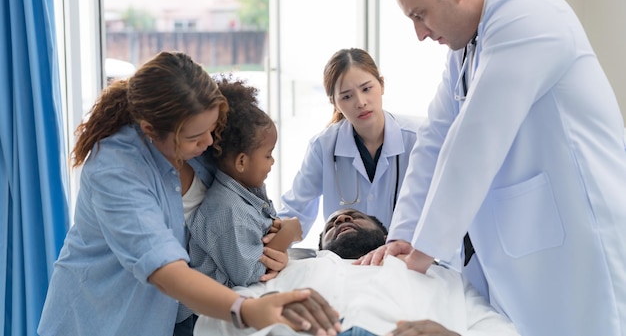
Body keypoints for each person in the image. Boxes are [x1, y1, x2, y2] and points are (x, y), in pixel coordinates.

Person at [355, 0, 626, 336]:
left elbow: (475, 140)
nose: (420, 33)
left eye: (420, 14)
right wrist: (405, 235)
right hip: (525, 241)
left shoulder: (530, 16)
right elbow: (434, 143)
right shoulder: (464, 52)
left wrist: (423, 252)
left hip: (581, 231)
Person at [38, 51, 339, 336]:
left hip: (164, 319)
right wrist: (248, 310)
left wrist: (280, 241)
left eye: (213, 128)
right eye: (196, 137)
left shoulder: (201, 138)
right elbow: (164, 268)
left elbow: (245, 208)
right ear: (150, 129)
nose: (209, 142)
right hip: (101, 318)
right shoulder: (116, 169)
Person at [194, 208, 521, 336]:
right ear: (321, 245)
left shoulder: (439, 275)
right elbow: (209, 325)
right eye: (332, 224)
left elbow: (503, 331)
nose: (341, 221)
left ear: (385, 233)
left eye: (352, 216)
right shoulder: (290, 272)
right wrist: (266, 315)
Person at [176, 75, 303, 334]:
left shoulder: (247, 191)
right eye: (268, 155)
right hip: (197, 321)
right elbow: (248, 273)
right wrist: (287, 233)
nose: (272, 162)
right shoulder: (226, 210)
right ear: (242, 162)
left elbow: (265, 231)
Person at [278, 48, 424, 237]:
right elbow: (295, 211)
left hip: (401, 259)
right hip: (346, 261)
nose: (361, 102)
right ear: (334, 102)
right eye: (347, 96)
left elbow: (443, 206)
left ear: (382, 85)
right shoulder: (323, 147)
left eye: (366, 89)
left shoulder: (418, 138)